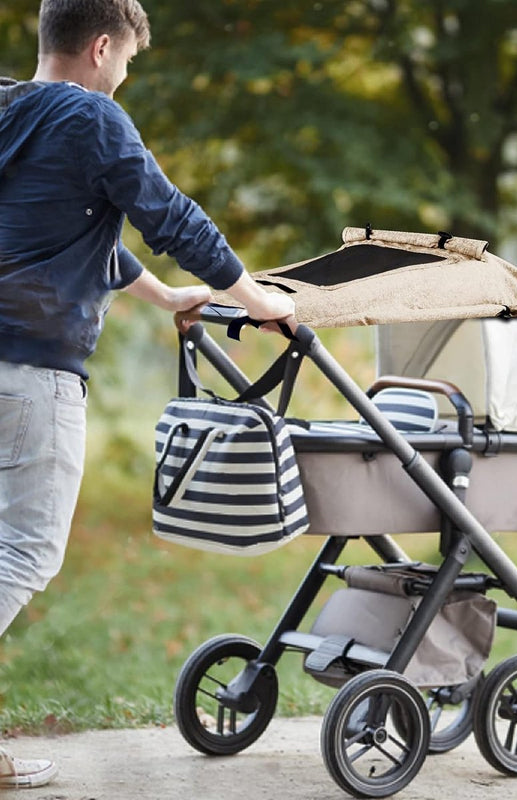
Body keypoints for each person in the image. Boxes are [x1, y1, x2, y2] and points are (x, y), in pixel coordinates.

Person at [0, 0, 294, 787]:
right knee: (25, 554)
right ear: (101, 47)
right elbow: (169, 215)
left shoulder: (7, 110)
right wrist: (258, 299)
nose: (123, 80)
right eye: (126, 64)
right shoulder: (93, 118)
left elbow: (60, 229)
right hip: (32, 375)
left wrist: (165, 297)